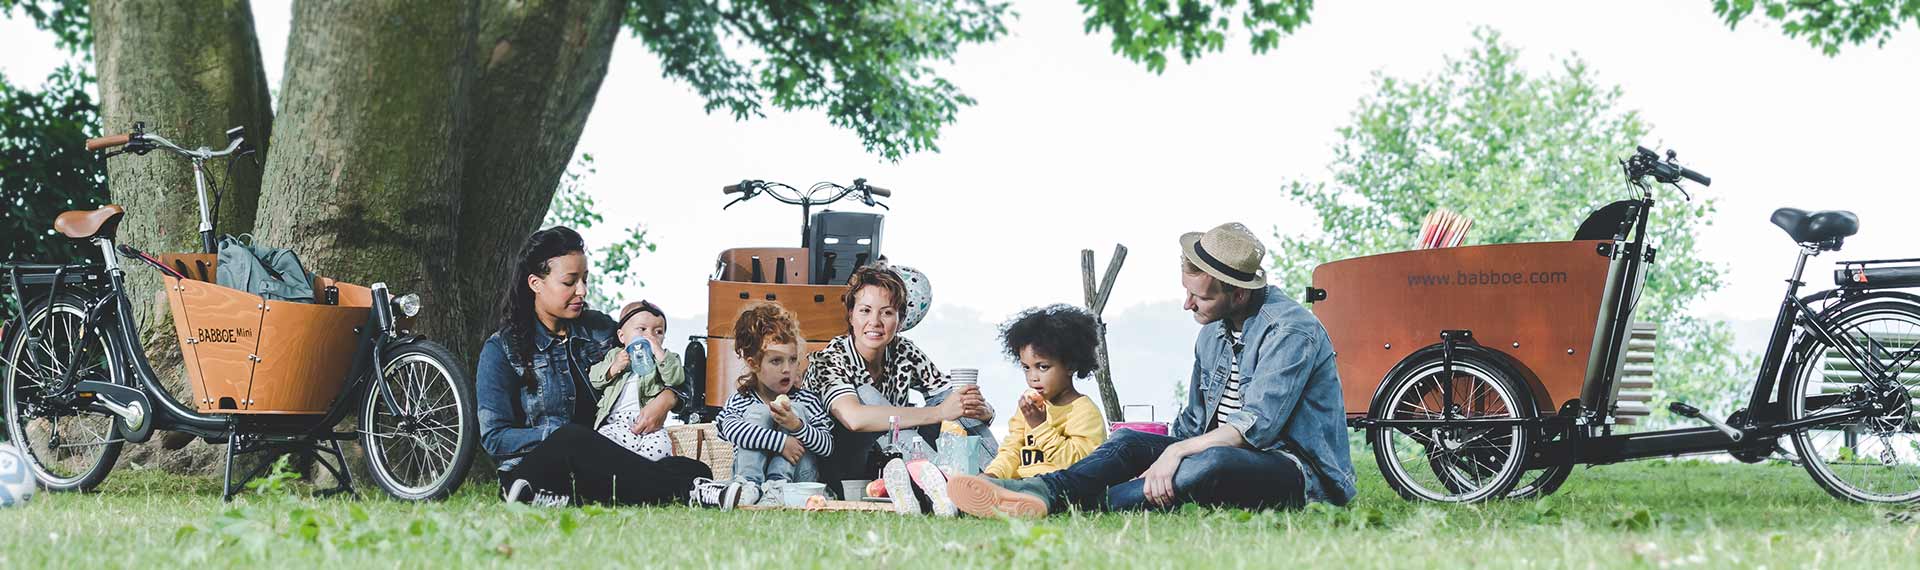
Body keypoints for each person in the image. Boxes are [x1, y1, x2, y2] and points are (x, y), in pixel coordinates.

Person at [945, 222, 1357, 517]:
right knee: (1129, 442)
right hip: (1214, 448)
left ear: (1235, 293)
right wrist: (1157, 452)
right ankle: (1034, 491)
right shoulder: (1212, 334)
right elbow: (1194, 424)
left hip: (1294, 470)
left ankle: (1060, 503)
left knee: (1208, 466)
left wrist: (1176, 454)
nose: (1188, 305)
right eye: (1186, 292)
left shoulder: (1291, 330)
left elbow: (1257, 429)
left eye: (1200, 297)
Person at [475, 226, 713, 507]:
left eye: (585, 280)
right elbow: (495, 438)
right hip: (537, 469)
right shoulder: (501, 348)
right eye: (570, 282)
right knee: (572, 436)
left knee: (694, 468)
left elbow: (663, 367)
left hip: (605, 461)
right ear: (535, 284)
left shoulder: (599, 328)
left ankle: (583, 497)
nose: (582, 291)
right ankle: (690, 491)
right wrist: (557, 435)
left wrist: (667, 398)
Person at [804, 265, 992, 512]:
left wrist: (981, 410)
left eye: (887, 313)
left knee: (951, 396)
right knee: (870, 398)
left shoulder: (904, 351)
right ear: (851, 316)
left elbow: (945, 396)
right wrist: (939, 413)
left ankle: (995, 480)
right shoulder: (831, 358)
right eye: (865, 311)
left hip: (891, 459)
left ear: (900, 319)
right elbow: (854, 418)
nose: (875, 322)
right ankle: (943, 482)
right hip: (840, 463)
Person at [714, 302, 834, 507]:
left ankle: (778, 487)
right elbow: (730, 429)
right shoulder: (742, 399)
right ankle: (748, 487)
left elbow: (827, 446)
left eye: (793, 359)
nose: (787, 369)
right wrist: (781, 443)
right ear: (754, 364)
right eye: (776, 361)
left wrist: (797, 426)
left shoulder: (807, 400)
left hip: (797, 482)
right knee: (757, 413)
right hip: (751, 480)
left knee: (796, 410)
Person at [982, 304, 1108, 480]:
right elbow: (1011, 450)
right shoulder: (1028, 408)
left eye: (1043, 367)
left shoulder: (1085, 413)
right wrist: (992, 475)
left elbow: (1080, 466)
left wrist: (1040, 426)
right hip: (1022, 483)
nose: (1033, 377)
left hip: (1059, 485)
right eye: (1026, 368)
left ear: (1070, 365)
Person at [584, 300, 684, 461]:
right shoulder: (614, 355)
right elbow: (594, 379)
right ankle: (624, 471)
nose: (650, 335)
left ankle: (642, 471)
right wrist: (614, 367)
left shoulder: (665, 358)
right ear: (622, 336)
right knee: (603, 443)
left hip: (649, 425)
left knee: (663, 447)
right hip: (616, 422)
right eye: (642, 329)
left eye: (658, 332)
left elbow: (676, 378)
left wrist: (659, 353)